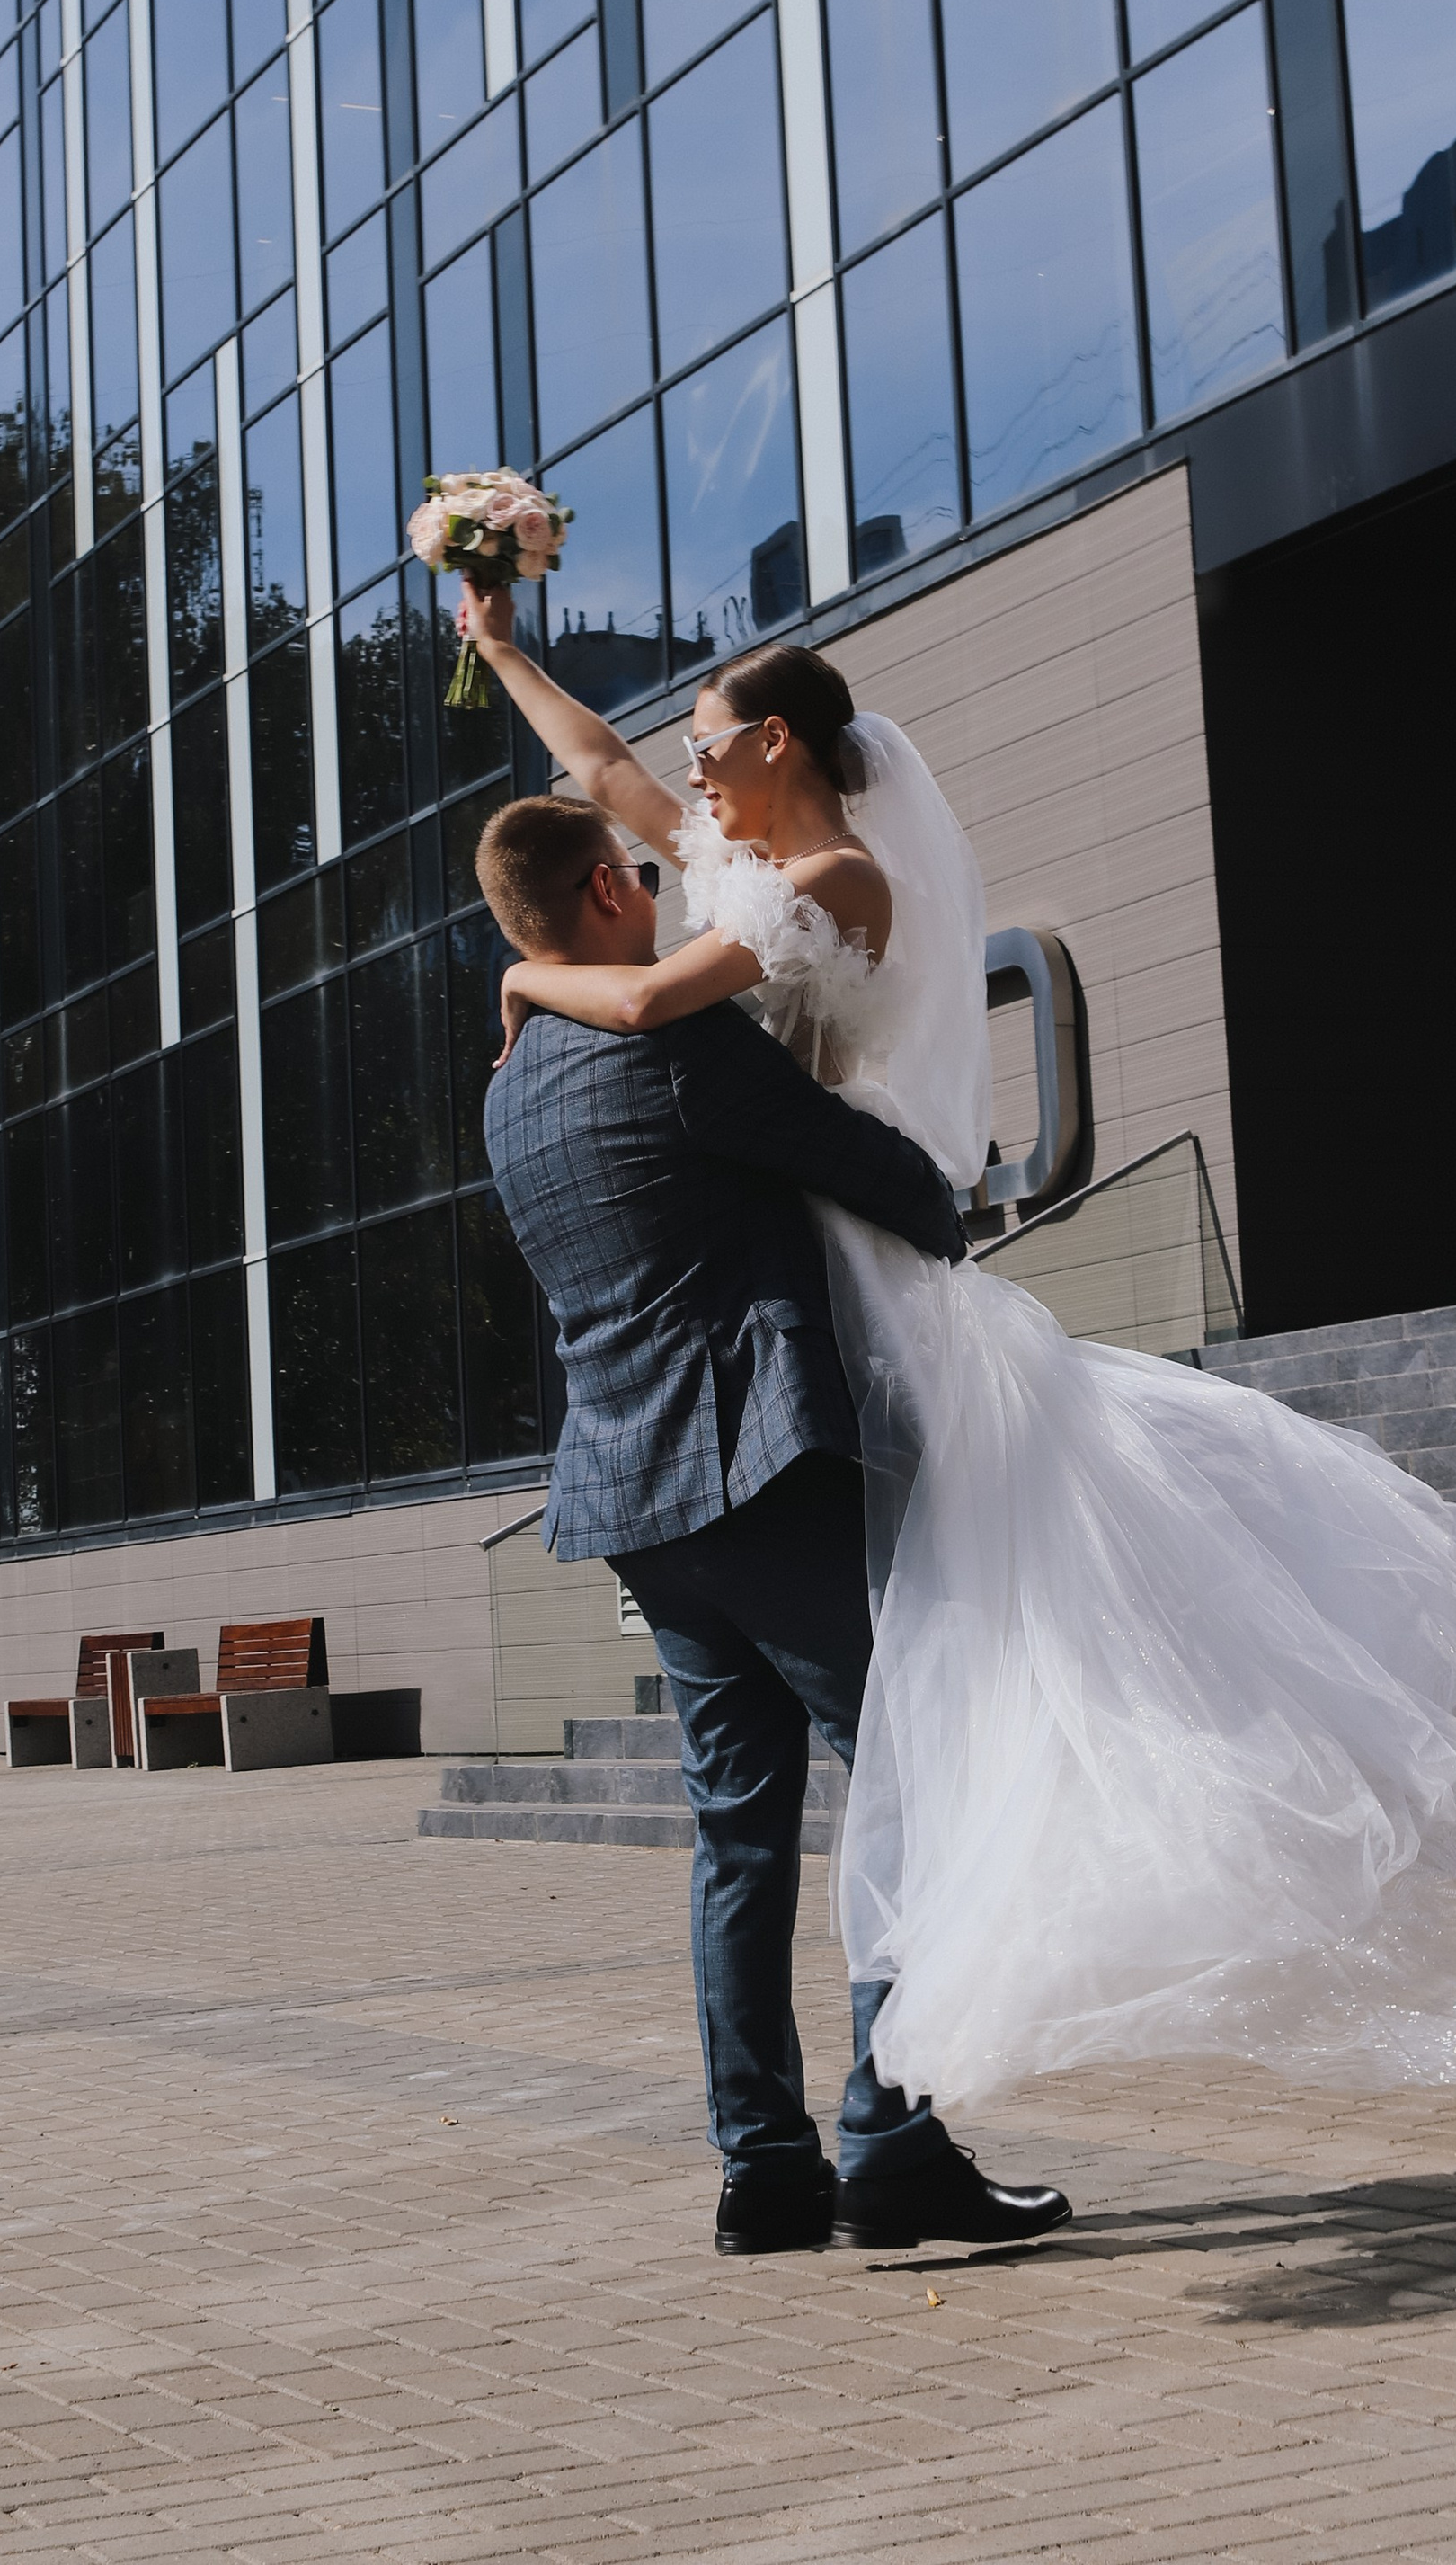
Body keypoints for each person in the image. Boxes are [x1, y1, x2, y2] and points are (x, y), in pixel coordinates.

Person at [463, 589, 1456, 2113]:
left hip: (835, 1282)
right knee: (913, 1745)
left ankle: (819, 2141)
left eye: (704, 747)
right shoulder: (747, 869)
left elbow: (635, 987)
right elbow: (604, 773)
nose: (678, 781)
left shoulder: (824, 881)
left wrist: (514, 974)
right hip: (794, 1310)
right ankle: (877, 2135)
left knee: (878, 1747)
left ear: (770, 740)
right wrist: (500, 650)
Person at [474, 788, 1073, 2258]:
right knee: (907, 1777)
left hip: (631, 1494)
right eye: (636, 872)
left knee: (737, 1838)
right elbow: (871, 1175)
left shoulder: (509, 1085)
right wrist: (947, 1202)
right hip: (757, 1464)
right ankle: (891, 2138)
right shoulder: (673, 1039)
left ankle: (766, 2171)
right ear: (608, 896)